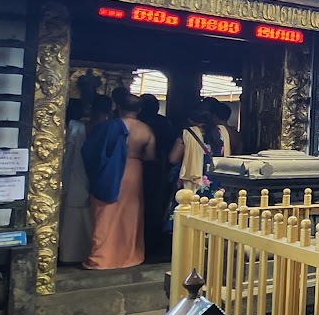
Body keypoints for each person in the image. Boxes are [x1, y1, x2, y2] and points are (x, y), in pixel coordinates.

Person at [81, 94, 156, 270]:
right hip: (134, 170)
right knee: (130, 213)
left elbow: (91, 150)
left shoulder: (108, 126)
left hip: (111, 169)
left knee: (105, 211)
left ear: (119, 107)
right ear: (139, 110)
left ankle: (102, 256)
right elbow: (150, 156)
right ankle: (130, 254)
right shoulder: (146, 129)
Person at [138, 94, 177, 257]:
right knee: (157, 200)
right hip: (160, 163)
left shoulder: (140, 121)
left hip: (142, 162)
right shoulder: (163, 122)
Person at [58, 98, 92, 265]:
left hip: (67, 171)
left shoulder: (72, 127)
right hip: (76, 171)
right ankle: (71, 252)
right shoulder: (79, 128)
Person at [170, 108, 231, 197]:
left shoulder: (187, 134)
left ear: (190, 120)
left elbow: (173, 159)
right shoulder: (221, 133)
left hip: (193, 181)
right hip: (216, 181)